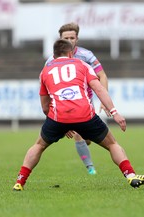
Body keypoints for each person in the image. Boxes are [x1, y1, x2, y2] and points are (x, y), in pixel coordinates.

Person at [13, 39, 144, 191]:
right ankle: (130, 176)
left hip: (58, 117)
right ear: (70, 53)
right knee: (112, 144)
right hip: (85, 115)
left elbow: (45, 106)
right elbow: (99, 89)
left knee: (39, 145)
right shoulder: (82, 65)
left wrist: (61, 124)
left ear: (53, 55)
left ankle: (19, 182)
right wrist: (114, 113)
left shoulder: (45, 72)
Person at [45, 22, 109, 175]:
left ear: (77, 39)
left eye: (72, 37)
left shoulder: (86, 56)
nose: (69, 40)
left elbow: (102, 75)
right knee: (78, 135)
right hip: (64, 103)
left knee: (86, 138)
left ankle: (87, 150)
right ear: (60, 39)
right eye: (66, 38)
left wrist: (104, 101)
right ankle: (90, 167)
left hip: (85, 100)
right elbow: (47, 87)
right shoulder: (51, 61)